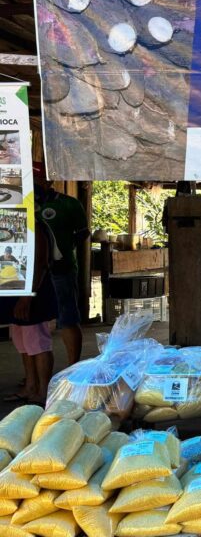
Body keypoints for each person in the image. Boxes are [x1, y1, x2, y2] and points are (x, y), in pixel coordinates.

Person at [34, 162, 88, 365]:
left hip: (60, 269)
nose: (34, 183)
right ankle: (34, 375)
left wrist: (63, 251)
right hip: (32, 272)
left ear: (49, 181)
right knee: (32, 322)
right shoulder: (23, 203)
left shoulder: (68, 204)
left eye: (38, 178)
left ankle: (72, 366)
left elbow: (83, 233)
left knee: (67, 318)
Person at [0, 220, 57, 403]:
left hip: (33, 292)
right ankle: (31, 386)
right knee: (22, 342)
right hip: (14, 290)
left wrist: (27, 297)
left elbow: (40, 261)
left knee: (37, 342)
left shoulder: (34, 224)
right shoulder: (10, 225)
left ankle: (44, 391)